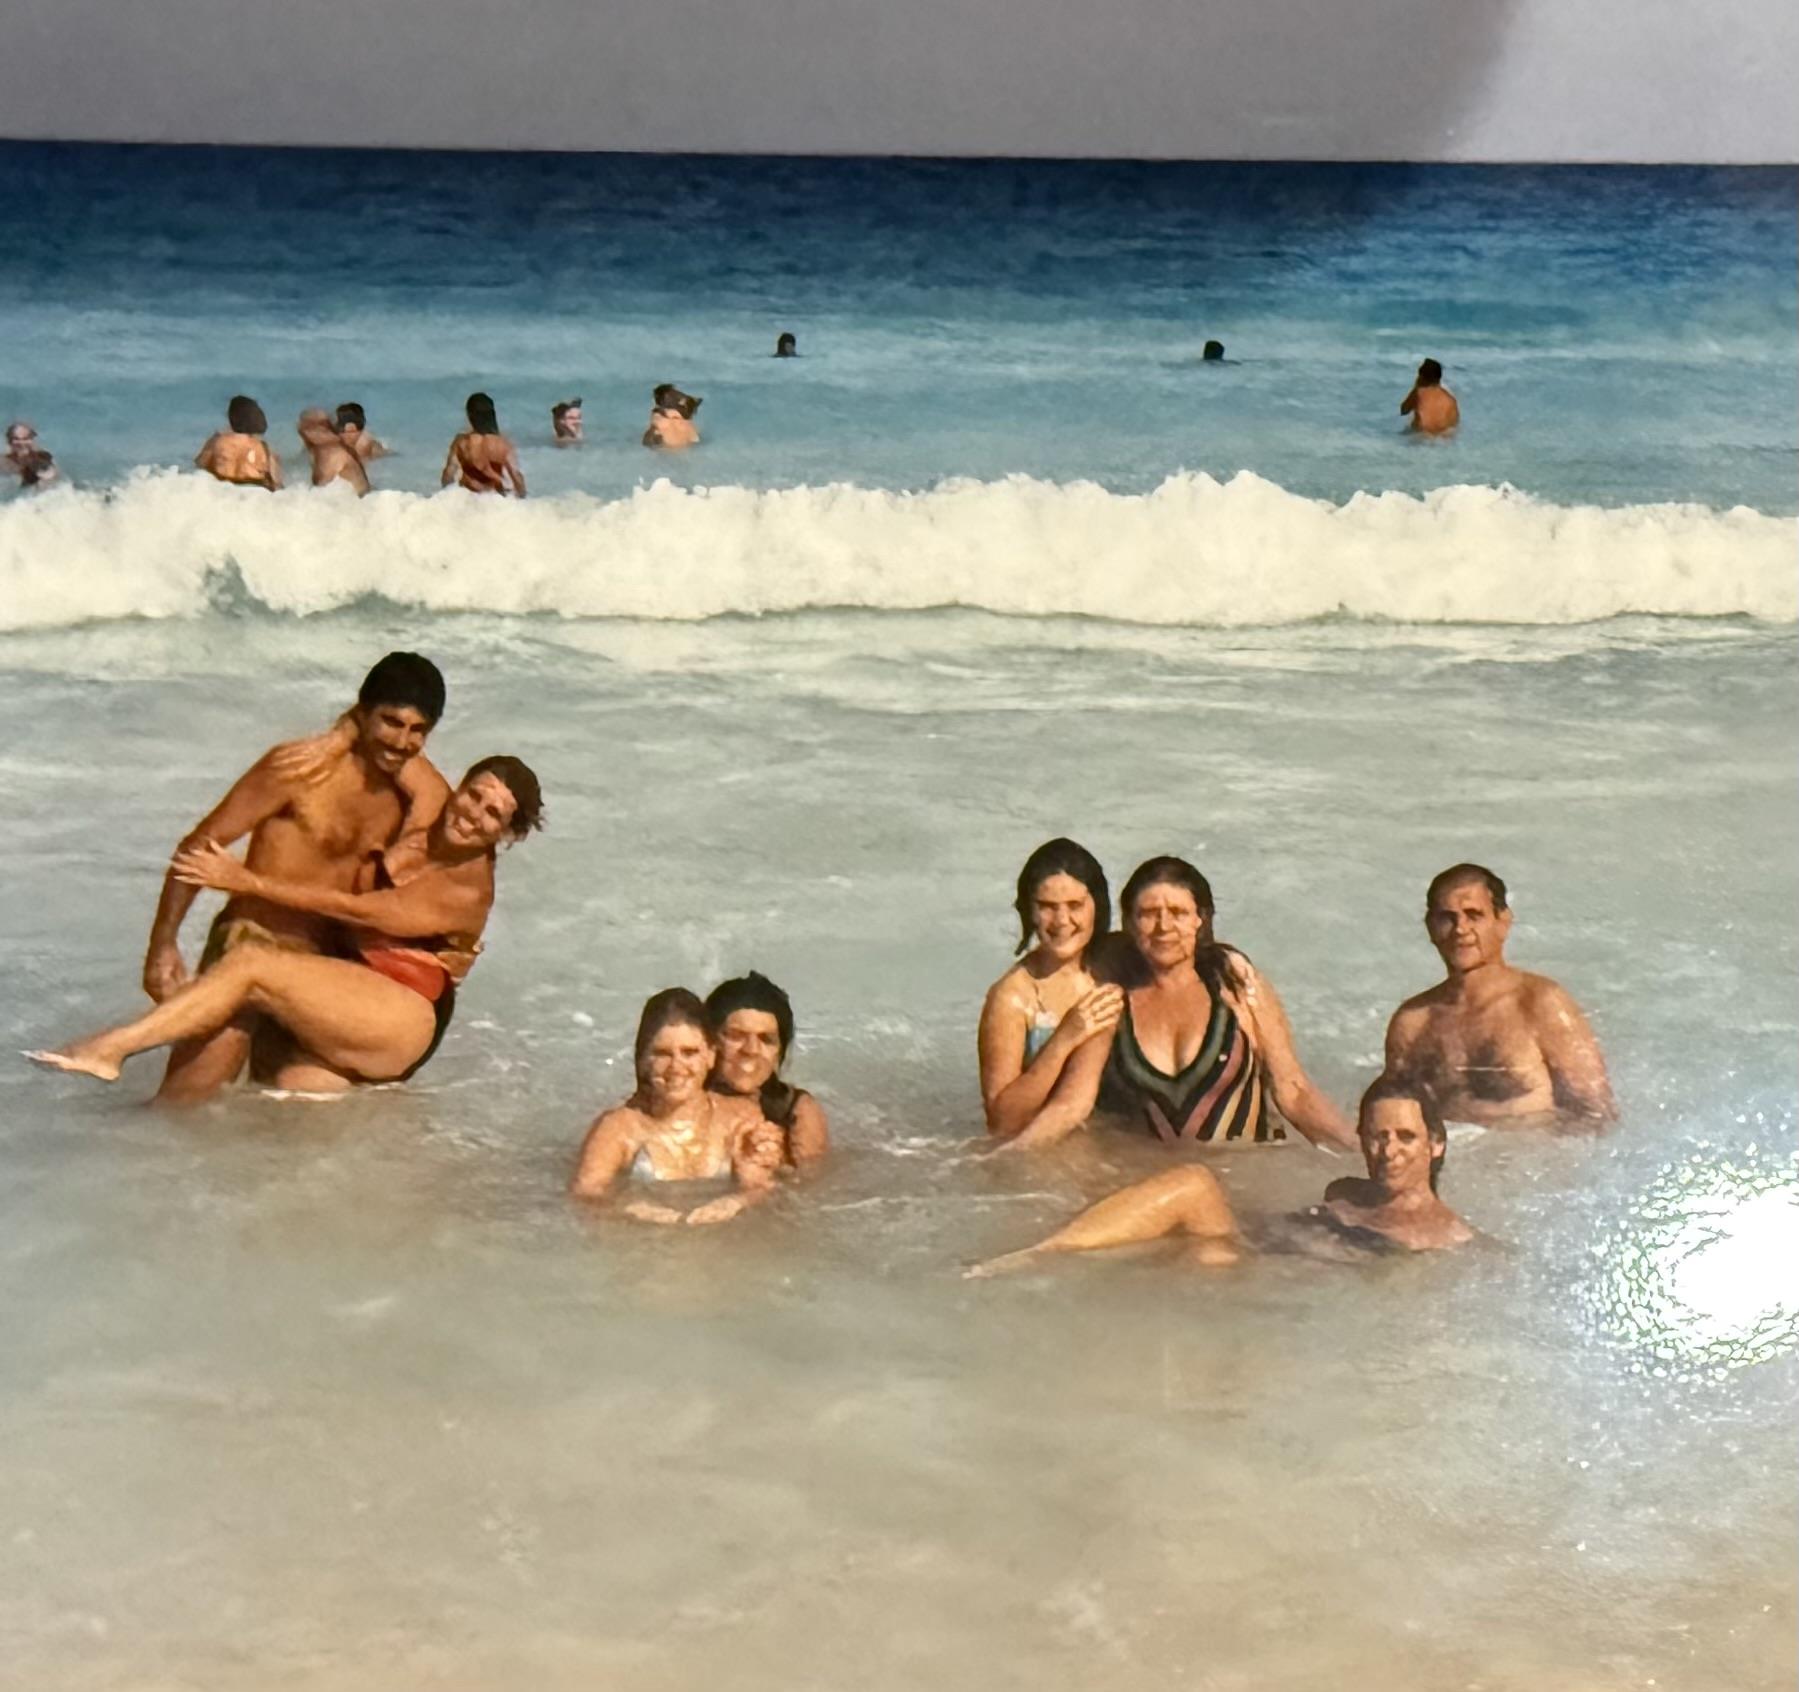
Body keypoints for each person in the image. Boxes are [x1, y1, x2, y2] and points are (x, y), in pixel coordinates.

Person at [32, 757, 541, 1092]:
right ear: (461, 785)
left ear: (507, 835)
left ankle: (111, 1049)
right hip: (349, 994)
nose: (473, 813)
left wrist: (246, 882)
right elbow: (388, 740)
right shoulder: (432, 802)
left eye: (493, 815)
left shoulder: (466, 888)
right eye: (475, 794)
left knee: (252, 966)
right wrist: (328, 746)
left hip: (402, 1014)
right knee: (285, 1107)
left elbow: (358, 911)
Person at [137, 652, 451, 1104]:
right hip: (252, 944)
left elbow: (445, 808)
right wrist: (162, 943)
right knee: (182, 1104)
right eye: (389, 722)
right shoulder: (299, 768)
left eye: (417, 730)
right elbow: (199, 846)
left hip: (328, 966)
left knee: (293, 1115)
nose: (401, 741)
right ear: (363, 713)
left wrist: (345, 731)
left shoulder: (410, 795)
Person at [998, 856, 1356, 1152]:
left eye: (1178, 912)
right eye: (1148, 913)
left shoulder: (1237, 988)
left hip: (1247, 1178)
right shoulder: (1112, 1002)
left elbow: (1293, 1091)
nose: (1163, 926)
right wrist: (1002, 1159)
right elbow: (1071, 1105)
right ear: (1129, 924)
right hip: (1152, 1185)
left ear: (1200, 919)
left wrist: (1358, 1151)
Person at [965, 1077, 1469, 1277]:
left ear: (1437, 1143)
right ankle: (1043, 1257)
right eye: (1377, 1137)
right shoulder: (1348, 1192)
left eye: (1405, 1137)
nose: (1389, 1151)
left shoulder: (1444, 1238)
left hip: (1254, 1274)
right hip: (1250, 1248)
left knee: (1193, 1185)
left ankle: (1035, 1258)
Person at [1383, 863, 1615, 1131]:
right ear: (1430, 927)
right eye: (1447, 917)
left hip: (1532, 1162)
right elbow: (1390, 1116)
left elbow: (1598, 1115)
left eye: (1474, 915)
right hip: (1452, 1165)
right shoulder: (1412, 1022)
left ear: (1502, 922)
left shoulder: (1541, 1004)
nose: (1460, 929)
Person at [570, 989, 785, 1224]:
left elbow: (762, 1190)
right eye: (662, 1054)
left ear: (711, 1056)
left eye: (690, 1053)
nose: (676, 1067)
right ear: (643, 1062)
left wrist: (737, 1200)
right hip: (646, 1247)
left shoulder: (740, 1118)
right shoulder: (619, 1128)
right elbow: (586, 1193)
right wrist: (629, 1206)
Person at [977, 839, 1123, 1138]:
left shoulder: (1119, 964)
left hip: (1119, 1150)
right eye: (1046, 907)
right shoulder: (1012, 998)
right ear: (1028, 911)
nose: (1061, 921)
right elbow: (1002, 1121)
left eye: (1075, 906)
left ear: (1097, 905)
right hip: (1048, 1159)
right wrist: (1064, 1040)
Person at [704, 972, 829, 1166]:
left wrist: (777, 1165)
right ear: (708, 1040)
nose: (751, 1050)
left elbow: (813, 1189)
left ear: (780, 1051)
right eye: (736, 1035)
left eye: (766, 1040)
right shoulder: (677, 1103)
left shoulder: (795, 1111)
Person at [441, 392, 526, 496]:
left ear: (470, 415)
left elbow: (449, 474)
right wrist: (523, 501)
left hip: (468, 497)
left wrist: (445, 497)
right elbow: (516, 475)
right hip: (493, 499)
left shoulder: (461, 442)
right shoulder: (502, 444)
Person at [196, 395, 282, 489]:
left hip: (223, 491)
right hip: (255, 492)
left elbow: (200, 465)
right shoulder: (265, 449)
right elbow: (276, 482)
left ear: (231, 417)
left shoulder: (216, 442)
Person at [297, 409, 370, 494]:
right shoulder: (332, 448)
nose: (301, 432)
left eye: (306, 429)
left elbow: (319, 490)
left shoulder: (332, 452)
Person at [1400, 358, 1459, 434]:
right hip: (1444, 442)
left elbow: (1403, 410)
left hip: (1420, 439)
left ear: (1422, 377)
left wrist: (1416, 386)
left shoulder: (1419, 393)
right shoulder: (1452, 400)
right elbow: (1455, 424)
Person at [642, 385, 701, 449]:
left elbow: (646, 442)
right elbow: (696, 440)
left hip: (666, 453)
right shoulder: (688, 425)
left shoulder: (659, 419)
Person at [5, 420, 59, 489]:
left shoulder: (43, 457)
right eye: (16, 439)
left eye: (25, 438)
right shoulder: (5, 460)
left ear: (32, 440)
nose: (21, 443)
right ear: (9, 441)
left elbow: (53, 480)